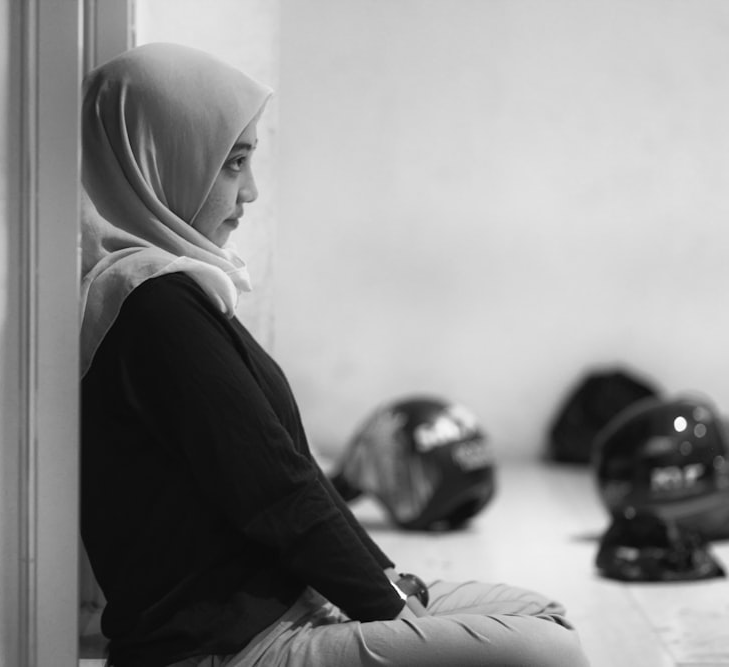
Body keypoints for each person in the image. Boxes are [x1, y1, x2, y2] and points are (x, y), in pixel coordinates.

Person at [79, 42, 590, 667]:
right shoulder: (153, 309)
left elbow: (294, 474)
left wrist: (381, 583)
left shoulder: (169, 290)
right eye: (233, 164)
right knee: (547, 652)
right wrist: (389, 608)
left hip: (298, 602)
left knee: (542, 616)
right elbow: (276, 490)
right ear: (163, 160)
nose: (252, 192)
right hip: (236, 646)